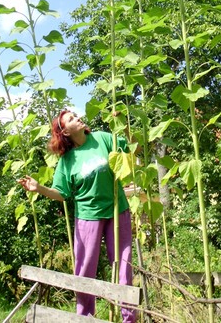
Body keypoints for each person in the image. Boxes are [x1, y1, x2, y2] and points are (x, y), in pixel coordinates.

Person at [18, 110, 136, 323]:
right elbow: (62, 193)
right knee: (84, 270)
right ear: (64, 131)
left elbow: (128, 147)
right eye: (71, 119)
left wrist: (122, 124)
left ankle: (129, 319)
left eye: (76, 114)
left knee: (124, 267)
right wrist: (38, 188)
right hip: (88, 217)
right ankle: (84, 318)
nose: (78, 117)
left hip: (118, 211)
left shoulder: (102, 138)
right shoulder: (67, 161)